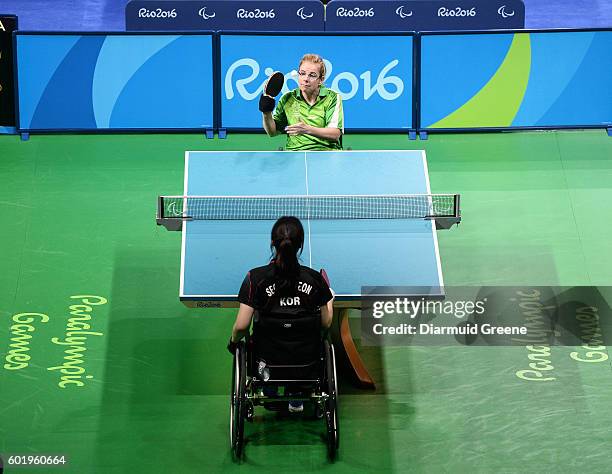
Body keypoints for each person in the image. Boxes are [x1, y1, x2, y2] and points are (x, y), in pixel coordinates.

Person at [227, 216, 335, 413]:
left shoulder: (256, 278)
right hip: (306, 364)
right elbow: (326, 324)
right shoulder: (314, 280)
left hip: (267, 365)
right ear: (300, 245)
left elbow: (242, 326)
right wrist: (330, 300)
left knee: (265, 343)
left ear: (272, 243)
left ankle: (270, 393)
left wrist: (233, 342)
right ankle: (297, 393)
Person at [261, 54, 344, 151]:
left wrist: (307, 129)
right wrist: (266, 113)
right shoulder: (287, 98)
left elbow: (335, 134)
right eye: (302, 73)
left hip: (326, 153)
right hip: (295, 153)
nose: (306, 79)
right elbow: (272, 132)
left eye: (312, 75)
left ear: (321, 80)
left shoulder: (332, 97)